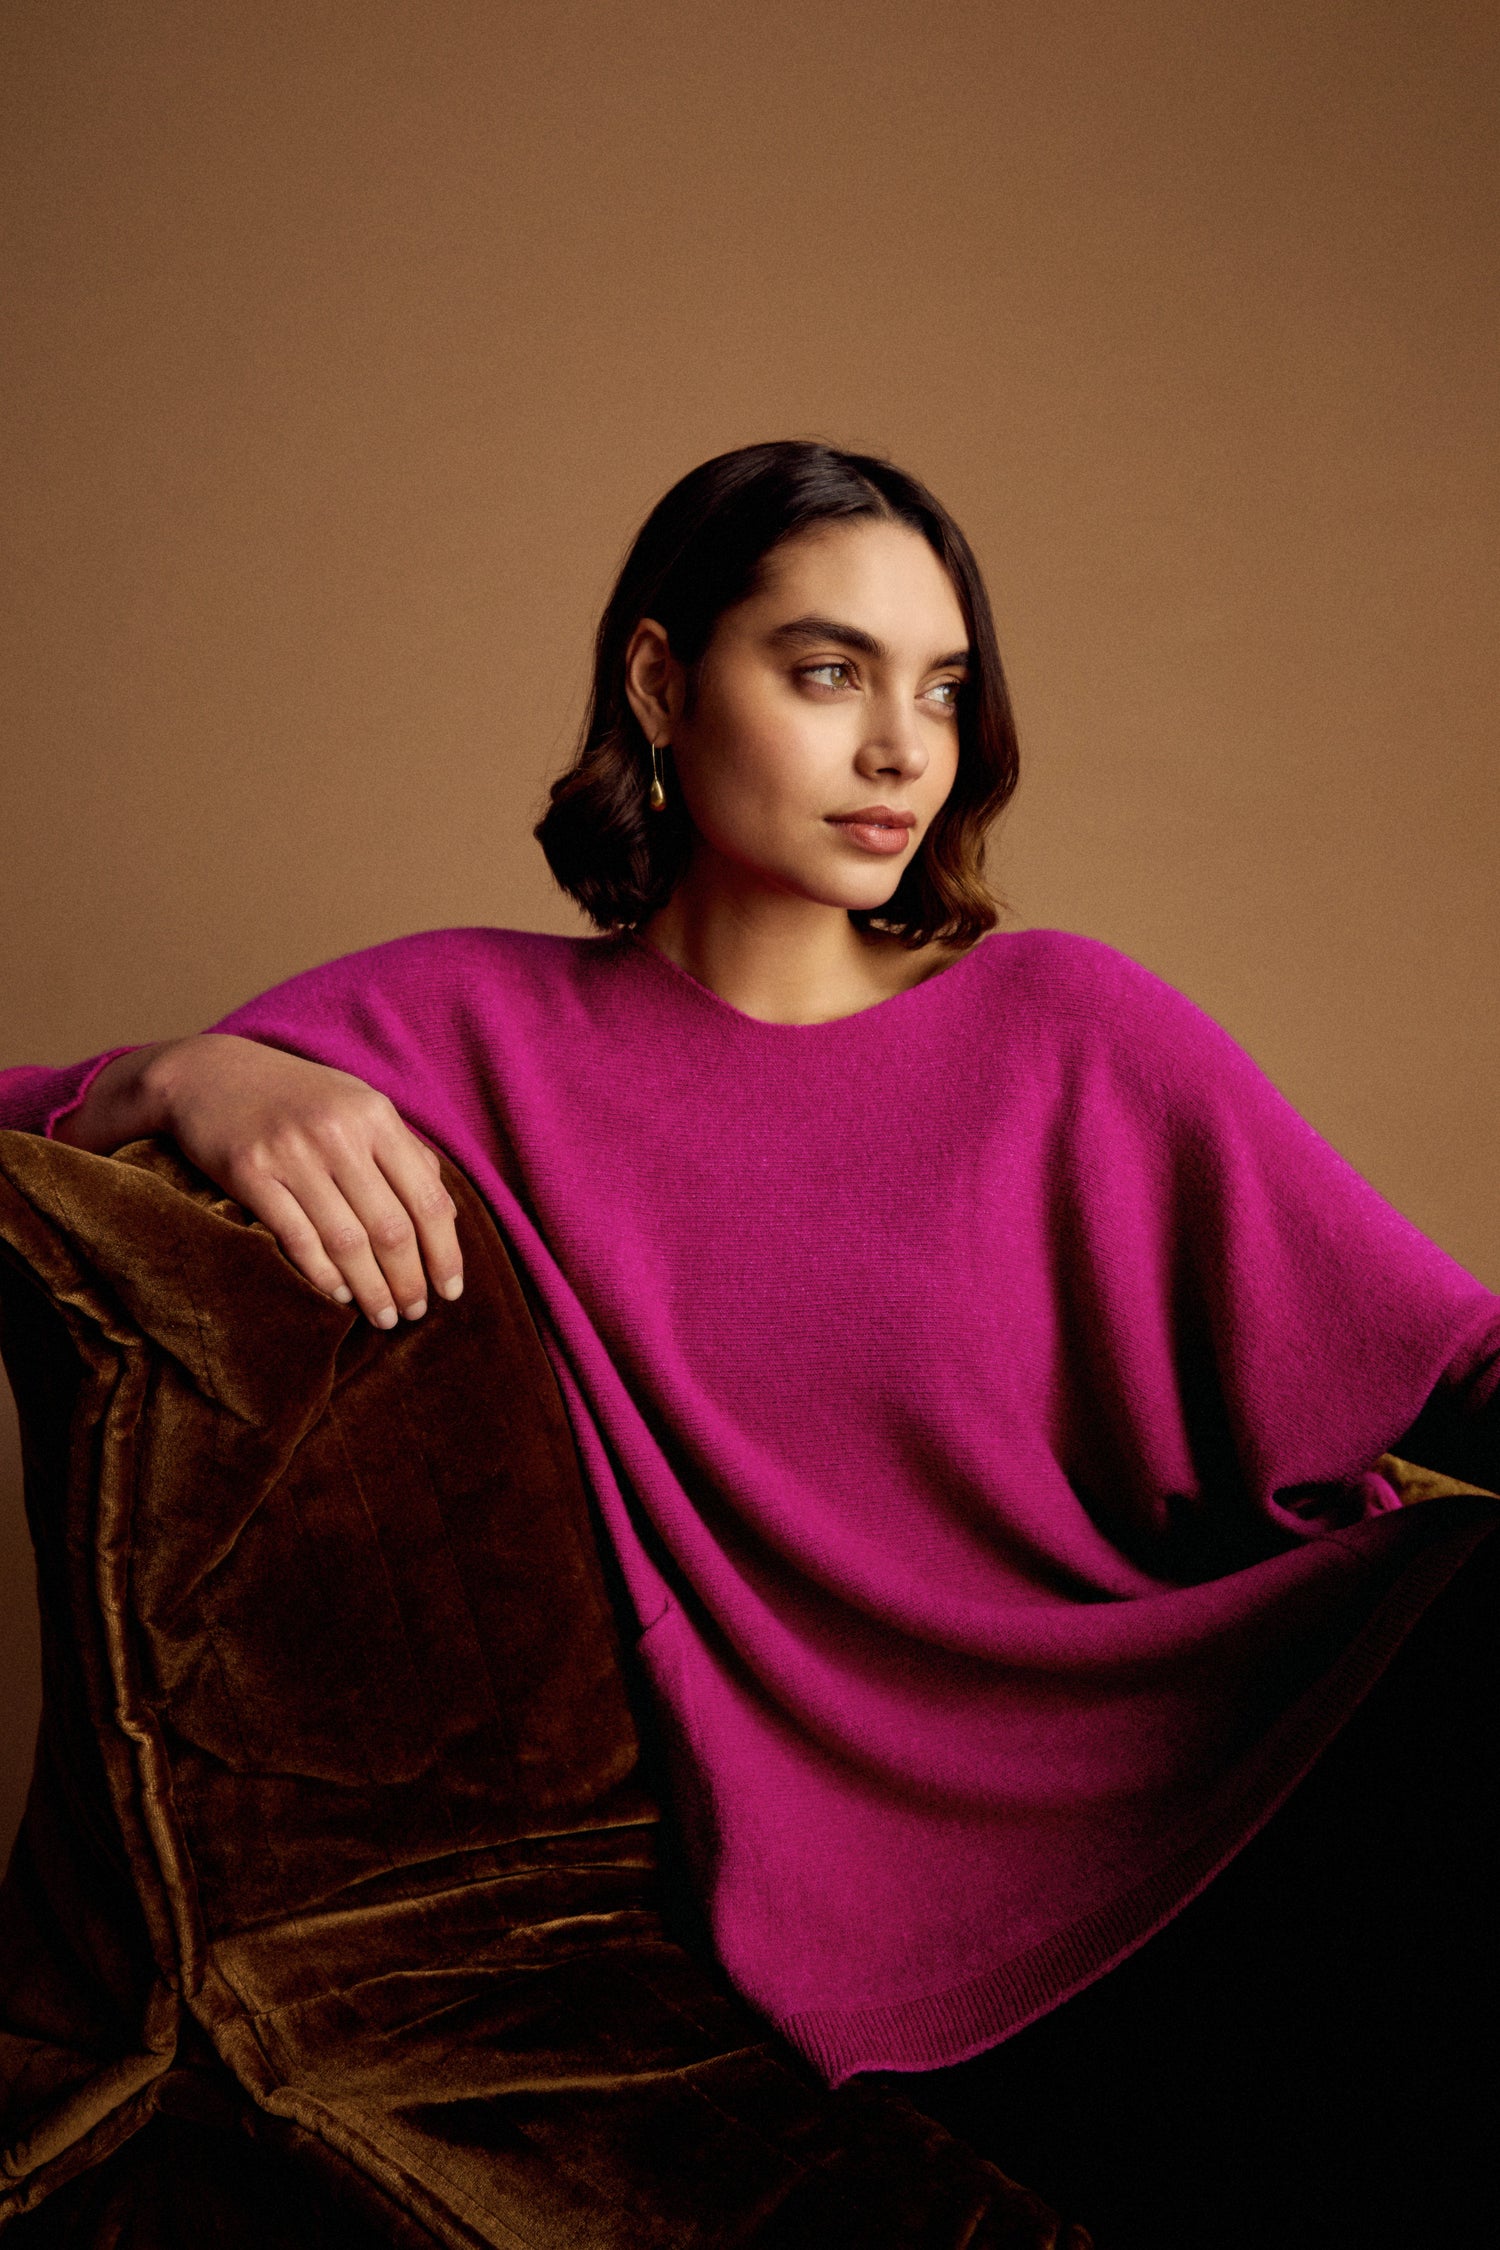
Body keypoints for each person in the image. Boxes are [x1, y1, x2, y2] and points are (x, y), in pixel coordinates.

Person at [2, 440, 1496, 2246]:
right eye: (825, 671)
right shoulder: (470, 1026)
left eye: (941, 690)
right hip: (892, 1936)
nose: (900, 752)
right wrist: (187, 1070)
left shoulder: (1068, 1023)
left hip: (1249, 1772)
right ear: (659, 681)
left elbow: (1457, 1366)